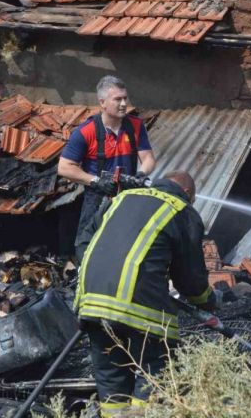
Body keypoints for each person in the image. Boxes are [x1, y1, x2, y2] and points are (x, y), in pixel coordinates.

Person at [74, 170, 217, 417]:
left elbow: (82, 243)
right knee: (156, 373)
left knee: (111, 380)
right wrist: (207, 300)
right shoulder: (182, 210)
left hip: (91, 303)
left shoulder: (121, 199)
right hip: (139, 309)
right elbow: (190, 279)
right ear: (186, 194)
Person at [58, 75, 156, 249]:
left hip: (127, 198)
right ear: (102, 102)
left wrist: (141, 174)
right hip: (97, 200)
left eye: (125, 98)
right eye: (117, 99)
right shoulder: (85, 132)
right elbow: (64, 168)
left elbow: (147, 158)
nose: (124, 104)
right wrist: (96, 181)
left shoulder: (135, 126)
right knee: (89, 246)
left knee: (127, 247)